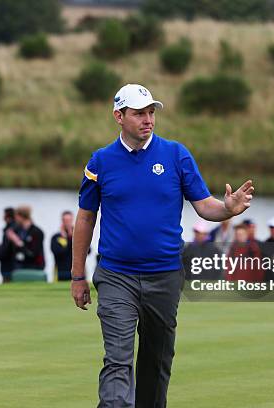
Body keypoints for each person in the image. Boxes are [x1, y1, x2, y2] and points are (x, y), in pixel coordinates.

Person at [70, 83, 254, 407]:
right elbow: (85, 219)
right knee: (117, 358)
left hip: (165, 275)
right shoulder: (100, 162)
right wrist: (77, 276)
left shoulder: (176, 154)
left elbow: (203, 205)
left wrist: (227, 209)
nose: (148, 120)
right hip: (116, 276)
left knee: (156, 362)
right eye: (139, 113)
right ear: (119, 116)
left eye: (151, 112)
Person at [6, 205, 45, 270]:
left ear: (21, 217)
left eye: (16, 216)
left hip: (35, 267)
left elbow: (34, 253)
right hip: (19, 266)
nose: (15, 219)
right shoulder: (16, 230)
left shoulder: (37, 232)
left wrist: (17, 241)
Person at [51, 210, 74, 281]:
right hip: (60, 271)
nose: (68, 223)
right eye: (65, 221)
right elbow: (58, 252)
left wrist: (72, 237)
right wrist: (65, 238)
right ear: (62, 221)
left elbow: (88, 251)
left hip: (76, 270)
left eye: (69, 221)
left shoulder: (77, 237)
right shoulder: (56, 237)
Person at [0, 207, 16, 283]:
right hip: (11, 265)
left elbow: (6, 249)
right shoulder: (12, 228)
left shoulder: (10, 229)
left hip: (9, 265)